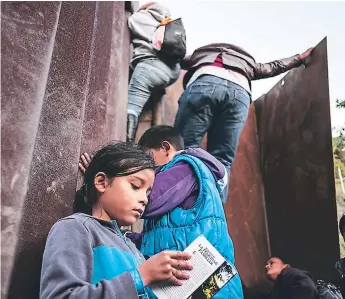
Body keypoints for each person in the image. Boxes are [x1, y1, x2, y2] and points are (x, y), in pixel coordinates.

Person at [79, 126, 244, 299]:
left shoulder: (187, 165)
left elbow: (151, 201)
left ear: (166, 148)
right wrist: (127, 237)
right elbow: (161, 238)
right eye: (136, 186)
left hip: (211, 283)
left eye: (147, 156)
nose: (143, 166)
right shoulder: (176, 201)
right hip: (202, 285)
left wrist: (111, 176)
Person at [40, 142, 192, 299]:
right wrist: (142, 276)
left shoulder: (133, 248)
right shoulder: (75, 228)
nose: (144, 200)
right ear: (101, 182)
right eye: (135, 186)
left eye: (147, 193)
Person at [175, 43, 313, 202]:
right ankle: (213, 217)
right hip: (239, 94)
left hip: (206, 82)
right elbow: (272, 67)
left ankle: (175, 210)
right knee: (222, 159)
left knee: (184, 149)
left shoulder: (201, 55)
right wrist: (297, 58)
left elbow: (174, 54)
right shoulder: (247, 62)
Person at [127, 2, 181, 142]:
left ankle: (126, 146)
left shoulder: (140, 17)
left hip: (150, 68)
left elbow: (129, 22)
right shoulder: (169, 23)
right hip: (173, 72)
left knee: (131, 110)